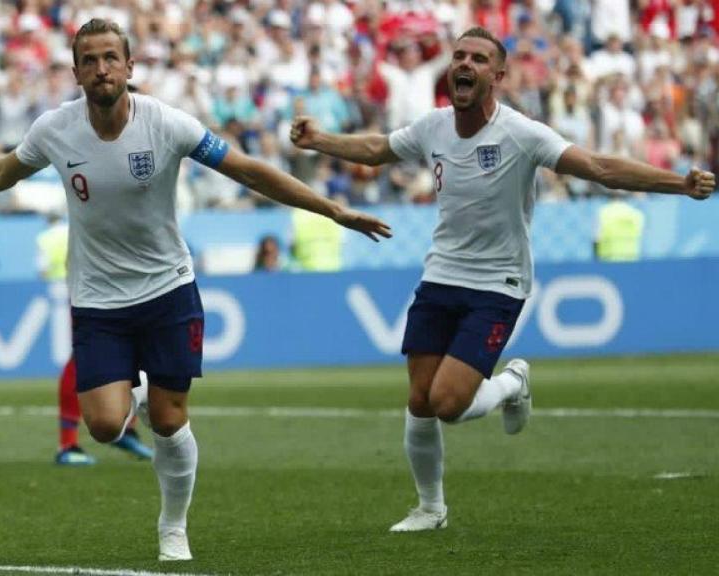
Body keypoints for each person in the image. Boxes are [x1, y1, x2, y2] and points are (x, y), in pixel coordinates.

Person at [0, 18, 392, 561]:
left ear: (130, 67)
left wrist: (333, 208)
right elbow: (3, 173)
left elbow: (249, 172)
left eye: (111, 57)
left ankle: (172, 527)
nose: (101, 68)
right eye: (90, 60)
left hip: (168, 290)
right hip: (98, 299)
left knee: (171, 418)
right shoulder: (55, 130)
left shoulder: (167, 124)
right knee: (105, 426)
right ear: (76, 71)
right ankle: (134, 399)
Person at [290, 26, 715, 533]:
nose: (464, 64)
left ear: (498, 75)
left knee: (448, 404)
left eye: (478, 58)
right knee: (419, 401)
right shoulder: (433, 126)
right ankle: (430, 509)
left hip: (498, 283)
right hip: (440, 275)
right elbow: (379, 148)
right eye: (458, 56)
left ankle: (513, 382)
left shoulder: (521, 133)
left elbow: (599, 167)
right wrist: (319, 141)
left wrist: (680, 185)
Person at [37, 213, 153, 465]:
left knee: (137, 354)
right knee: (82, 358)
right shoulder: (91, 205)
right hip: (91, 292)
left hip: (131, 287)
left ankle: (125, 426)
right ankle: (67, 445)